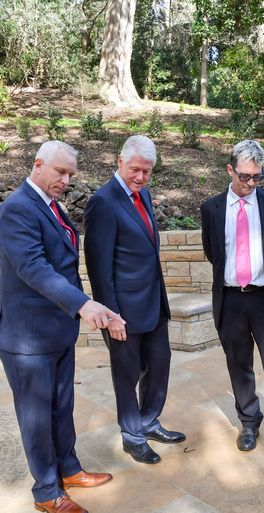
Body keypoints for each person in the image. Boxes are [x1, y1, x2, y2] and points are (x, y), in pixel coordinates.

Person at [0, 140, 124, 513]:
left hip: (57, 331)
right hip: (27, 338)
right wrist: (83, 304)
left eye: (70, 175)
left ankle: (69, 469)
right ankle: (47, 491)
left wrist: (86, 306)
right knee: (36, 417)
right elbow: (33, 268)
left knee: (61, 409)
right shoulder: (18, 209)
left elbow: (63, 268)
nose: (66, 180)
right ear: (38, 165)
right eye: (60, 172)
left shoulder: (50, 206)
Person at [83, 135, 185, 465]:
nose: (141, 177)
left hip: (153, 304)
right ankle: (132, 434)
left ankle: (148, 421)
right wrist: (110, 315)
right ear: (120, 162)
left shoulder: (143, 195)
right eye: (135, 170)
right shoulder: (104, 202)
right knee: (126, 374)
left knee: (159, 365)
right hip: (123, 311)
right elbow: (99, 268)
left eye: (147, 171)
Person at [200, 139, 264, 452]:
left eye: (258, 177)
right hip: (231, 300)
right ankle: (248, 423)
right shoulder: (212, 209)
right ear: (230, 170)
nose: (251, 183)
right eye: (244, 176)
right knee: (238, 363)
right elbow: (211, 252)